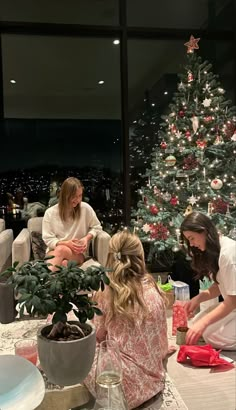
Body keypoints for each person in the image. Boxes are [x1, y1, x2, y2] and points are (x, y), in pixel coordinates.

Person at [84, 230, 169, 409]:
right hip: (152, 384)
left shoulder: (105, 293)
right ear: (140, 257)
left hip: (116, 388)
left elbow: (99, 337)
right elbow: (161, 340)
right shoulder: (156, 291)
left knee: (78, 344)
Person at [180, 211, 236, 350]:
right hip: (232, 305)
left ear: (204, 231)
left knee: (212, 336)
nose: (191, 244)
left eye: (192, 238)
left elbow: (233, 300)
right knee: (195, 324)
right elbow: (221, 285)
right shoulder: (216, 250)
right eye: (188, 240)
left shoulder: (228, 254)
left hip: (233, 303)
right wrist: (198, 299)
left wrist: (204, 323)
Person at [42, 177, 102, 270]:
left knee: (61, 250)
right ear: (65, 195)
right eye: (74, 196)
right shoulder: (50, 213)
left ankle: (47, 281)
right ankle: (64, 268)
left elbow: (97, 227)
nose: (77, 200)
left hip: (77, 254)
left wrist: (86, 238)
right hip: (53, 252)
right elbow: (48, 238)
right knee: (62, 258)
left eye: (80, 196)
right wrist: (66, 243)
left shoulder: (85, 208)